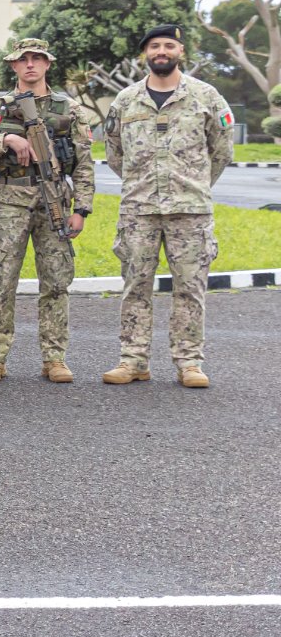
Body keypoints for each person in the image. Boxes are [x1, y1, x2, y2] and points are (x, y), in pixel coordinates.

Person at [101, 24, 233, 388]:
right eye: (155, 46)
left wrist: (195, 184)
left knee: (190, 288)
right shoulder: (126, 101)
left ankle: (189, 363)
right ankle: (133, 361)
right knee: (135, 286)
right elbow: (115, 153)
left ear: (181, 51)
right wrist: (139, 182)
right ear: (145, 53)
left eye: (169, 45)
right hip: (138, 210)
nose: (162, 51)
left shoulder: (206, 97)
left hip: (190, 211)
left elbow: (221, 151)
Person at [0, 38, 96, 383]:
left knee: (56, 281)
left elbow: (83, 164)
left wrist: (81, 208)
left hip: (54, 202)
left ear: (48, 64)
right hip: (11, 202)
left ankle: (54, 358)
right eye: (24, 60)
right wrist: (5, 141)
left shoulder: (70, 109)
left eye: (38, 59)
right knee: (0, 281)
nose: (31, 65)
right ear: (14, 66)